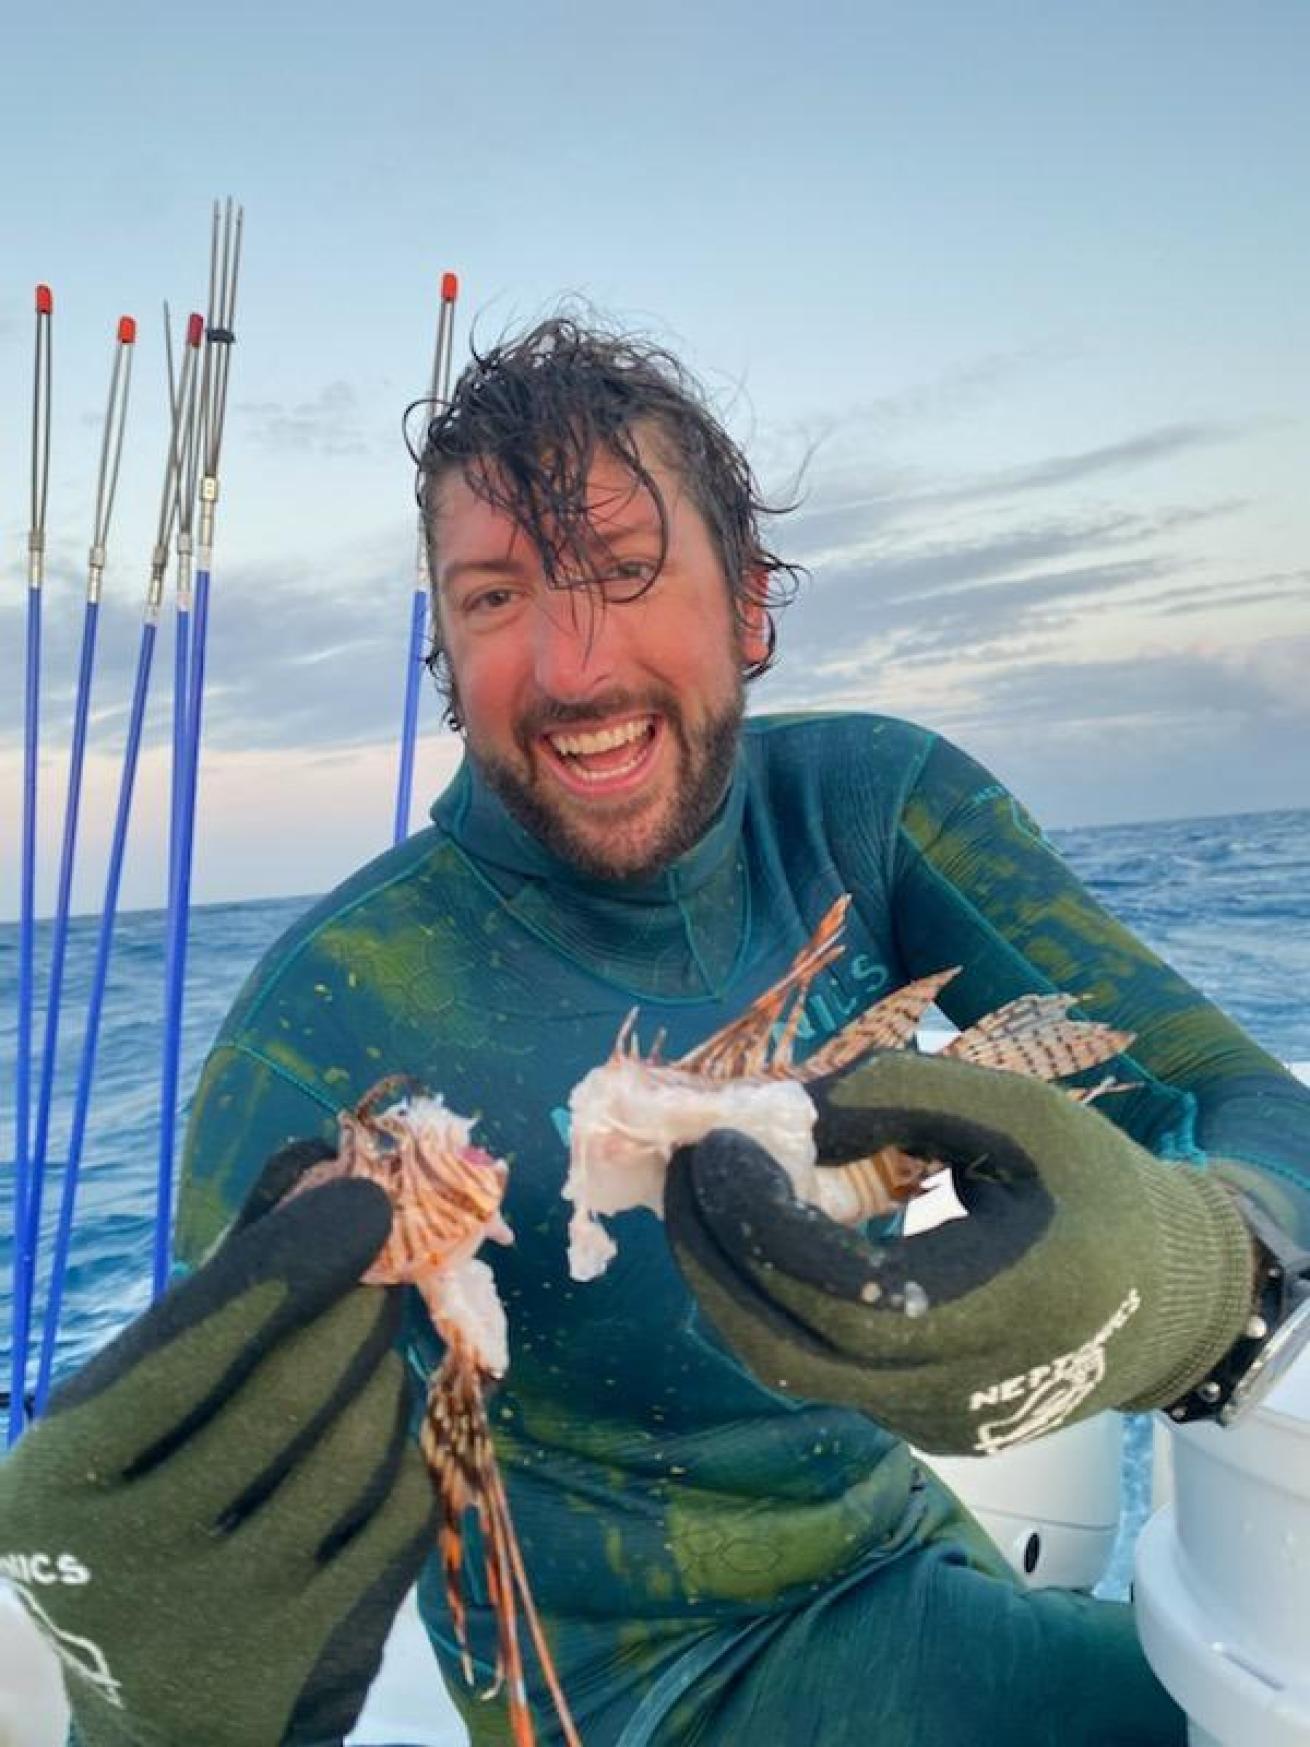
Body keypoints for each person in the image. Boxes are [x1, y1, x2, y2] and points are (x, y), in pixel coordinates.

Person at [4, 317, 1308, 1747]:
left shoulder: (868, 811)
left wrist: (1198, 1260)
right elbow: (227, 1518)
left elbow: (1233, 1099)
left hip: (908, 1537)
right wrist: (153, 1701)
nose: (570, 667)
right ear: (442, 641)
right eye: (495, 597)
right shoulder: (321, 1023)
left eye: (624, 572)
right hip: (642, 1698)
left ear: (747, 602)